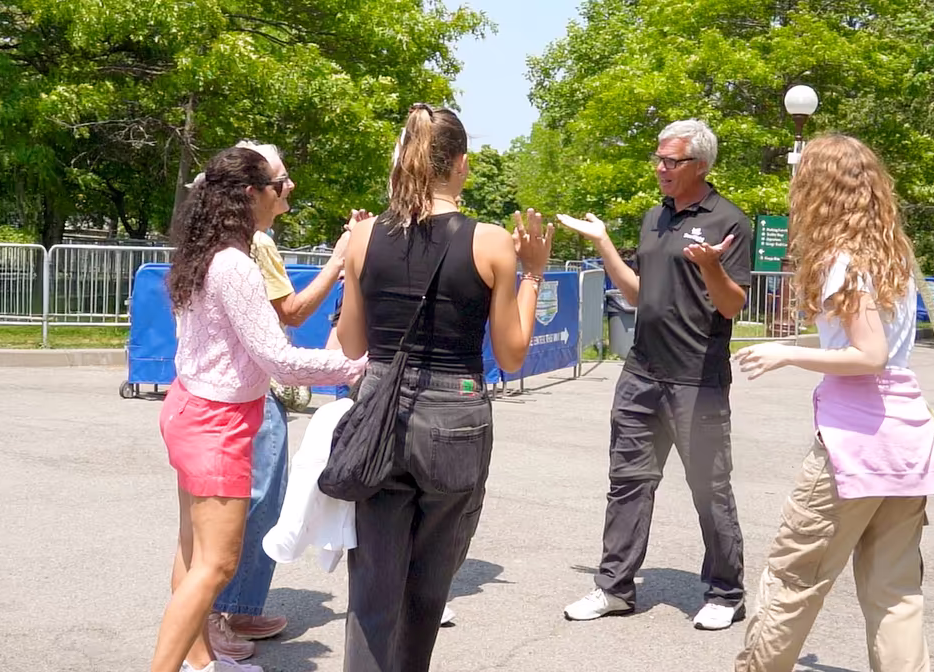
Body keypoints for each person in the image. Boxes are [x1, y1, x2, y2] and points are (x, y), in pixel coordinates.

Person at [335, 103, 553, 672]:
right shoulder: (489, 242)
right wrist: (533, 274)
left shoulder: (362, 236)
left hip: (379, 409)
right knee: (428, 588)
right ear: (461, 163)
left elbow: (353, 345)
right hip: (454, 414)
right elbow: (511, 353)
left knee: (372, 590)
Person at [732, 134, 934, 671]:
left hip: (854, 446)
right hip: (906, 441)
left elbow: (868, 354)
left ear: (818, 190)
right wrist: (792, 345)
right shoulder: (894, 257)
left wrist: (788, 357)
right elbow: (878, 349)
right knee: (895, 593)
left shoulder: (843, 263)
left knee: (794, 577)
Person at [152, 145, 368, 672]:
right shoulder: (236, 266)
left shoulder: (209, 254)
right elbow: (278, 359)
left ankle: (202, 661)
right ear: (251, 195)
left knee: (193, 555)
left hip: (193, 410)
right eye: (279, 183)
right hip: (216, 423)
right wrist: (353, 367)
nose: (287, 189)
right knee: (218, 564)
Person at [556, 119, 754, 631]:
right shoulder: (654, 218)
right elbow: (638, 296)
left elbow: (732, 305)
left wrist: (712, 266)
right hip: (642, 374)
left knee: (708, 488)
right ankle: (614, 589)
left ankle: (726, 593)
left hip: (697, 380)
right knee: (627, 483)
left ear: (700, 165)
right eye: (658, 159)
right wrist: (603, 242)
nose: (661, 168)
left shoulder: (729, 221)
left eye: (672, 161)